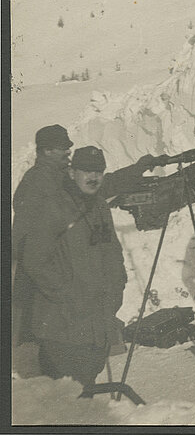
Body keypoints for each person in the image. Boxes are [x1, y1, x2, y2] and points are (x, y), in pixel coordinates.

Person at [17, 146, 130, 390]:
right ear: (71, 173)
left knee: (86, 383)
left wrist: (117, 286)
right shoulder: (53, 208)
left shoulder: (99, 206)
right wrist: (67, 293)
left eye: (99, 171)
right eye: (86, 171)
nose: (94, 177)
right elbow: (34, 260)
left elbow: (112, 252)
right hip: (62, 323)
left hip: (95, 321)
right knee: (68, 394)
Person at [11, 125, 74, 349]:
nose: (69, 151)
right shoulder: (39, 180)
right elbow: (25, 229)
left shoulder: (55, 176)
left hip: (45, 258)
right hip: (37, 261)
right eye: (63, 148)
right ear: (47, 151)